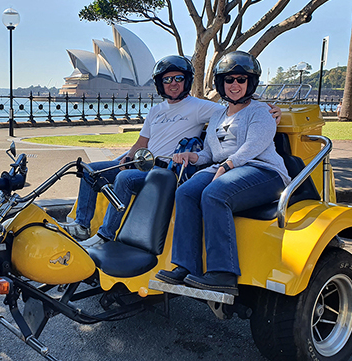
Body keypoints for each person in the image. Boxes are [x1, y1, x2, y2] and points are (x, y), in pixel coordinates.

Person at [62, 55, 282, 247]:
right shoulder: (155, 110)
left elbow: (235, 106)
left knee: (126, 178)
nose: (173, 83)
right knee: (92, 170)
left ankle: (106, 235)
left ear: (186, 81)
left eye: (178, 78)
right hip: (143, 163)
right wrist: (124, 158)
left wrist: (270, 109)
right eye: (167, 79)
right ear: (160, 84)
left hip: (167, 170)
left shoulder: (200, 107)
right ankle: (82, 225)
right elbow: (141, 143)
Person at [155, 51, 291, 295]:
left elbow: (254, 146)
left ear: (250, 82)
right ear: (221, 84)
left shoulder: (260, 111)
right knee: (185, 192)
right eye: (229, 80)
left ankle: (223, 274)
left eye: (241, 79)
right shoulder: (218, 114)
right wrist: (192, 157)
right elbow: (210, 153)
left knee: (215, 193)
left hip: (262, 170)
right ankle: (187, 266)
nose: (235, 85)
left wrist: (227, 165)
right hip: (224, 169)